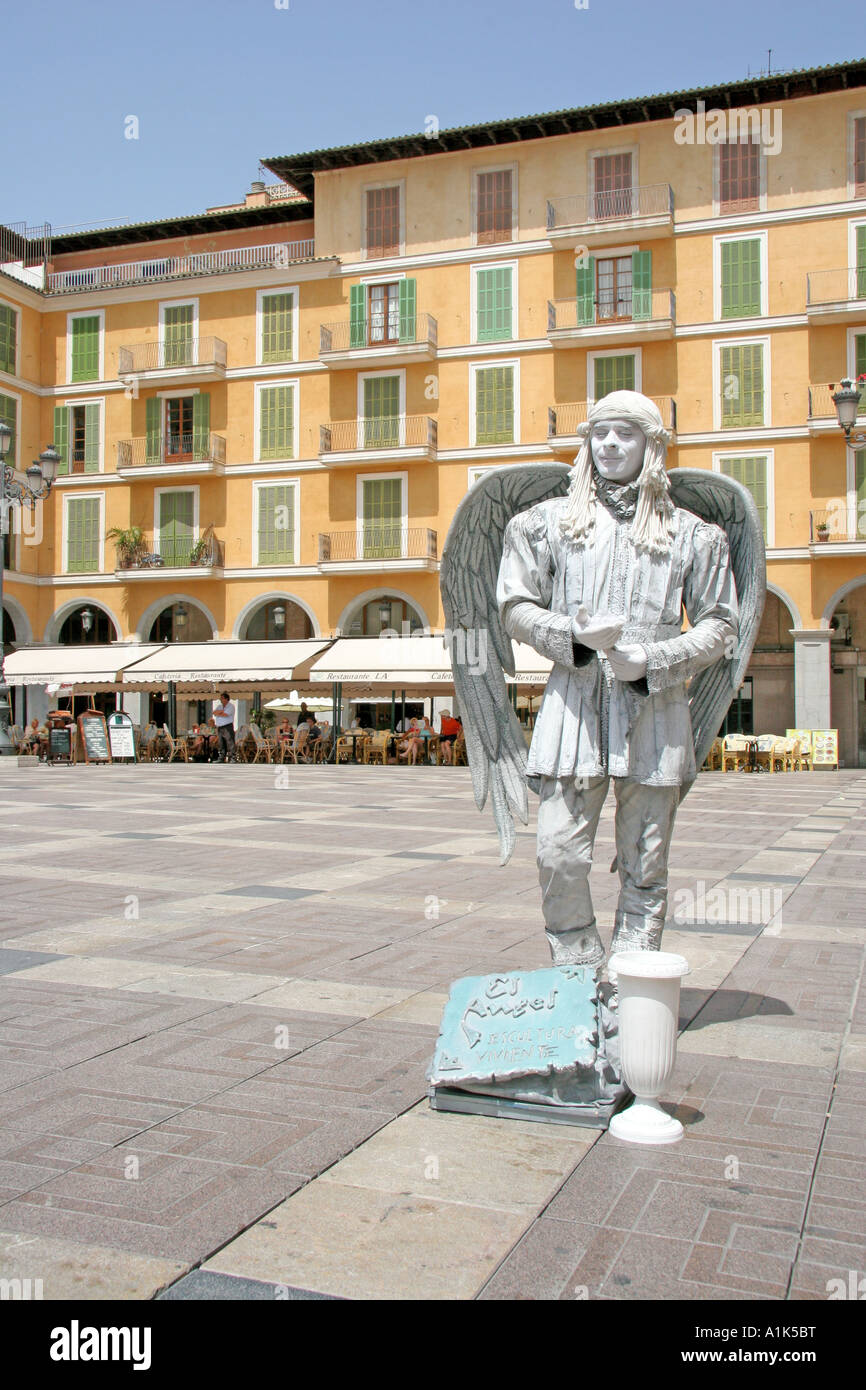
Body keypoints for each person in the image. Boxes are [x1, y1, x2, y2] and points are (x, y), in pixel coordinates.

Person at [496, 391, 739, 966]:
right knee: (556, 851)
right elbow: (514, 605)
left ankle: (632, 976)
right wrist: (571, 636)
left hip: (655, 707)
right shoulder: (544, 524)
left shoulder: (694, 534)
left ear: (652, 446)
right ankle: (576, 967)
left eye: (625, 433)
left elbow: (723, 624)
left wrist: (652, 662)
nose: (609, 444)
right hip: (573, 704)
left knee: (646, 859)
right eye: (600, 432)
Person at [213, 693, 236, 763]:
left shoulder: (231, 706)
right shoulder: (220, 706)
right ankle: (221, 757)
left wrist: (219, 713)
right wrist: (221, 711)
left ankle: (233, 758)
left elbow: (225, 714)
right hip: (220, 727)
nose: (220, 699)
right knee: (221, 742)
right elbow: (214, 713)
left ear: (226, 699)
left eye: (222, 698)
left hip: (227, 726)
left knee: (230, 742)